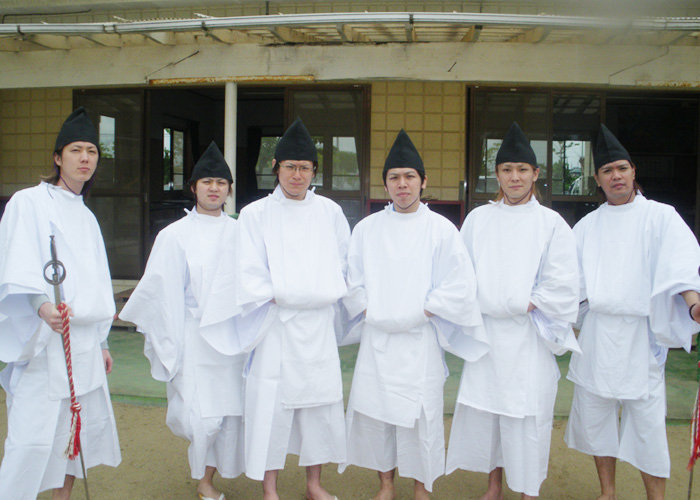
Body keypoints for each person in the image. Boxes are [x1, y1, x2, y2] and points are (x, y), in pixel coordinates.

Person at [338, 129, 488, 500]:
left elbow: (459, 283)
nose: (402, 184)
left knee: (423, 418)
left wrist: (421, 311)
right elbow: (352, 282)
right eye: (394, 177)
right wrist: (375, 313)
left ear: (423, 181)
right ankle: (386, 485)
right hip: (378, 338)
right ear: (385, 184)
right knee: (378, 416)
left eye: (409, 176)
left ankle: (423, 487)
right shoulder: (367, 229)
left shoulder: (441, 229)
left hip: (421, 338)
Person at [564, 124, 700, 500]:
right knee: (596, 419)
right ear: (597, 179)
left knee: (647, 426)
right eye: (607, 171)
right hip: (599, 333)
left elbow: (680, 268)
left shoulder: (661, 217)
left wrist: (693, 304)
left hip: (642, 335)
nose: (616, 176)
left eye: (622, 168)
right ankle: (607, 492)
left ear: (633, 171)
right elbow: (569, 282)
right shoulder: (587, 227)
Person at [446, 122, 580, 499]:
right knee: (490, 414)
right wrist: (487, 303)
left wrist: (518, 301)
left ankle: (527, 491)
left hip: (528, 335)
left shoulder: (551, 224)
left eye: (522, 169)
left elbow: (563, 282)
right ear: (497, 174)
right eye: (507, 169)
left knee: (526, 419)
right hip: (488, 337)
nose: (515, 177)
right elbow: (460, 272)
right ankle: (493, 487)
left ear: (536, 174)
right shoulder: (478, 219)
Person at [0, 107, 121, 499]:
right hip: (45, 338)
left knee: (74, 432)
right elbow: (15, 264)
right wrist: (42, 307)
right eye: (75, 150)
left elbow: (96, 282)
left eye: (92, 151)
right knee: (30, 438)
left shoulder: (86, 216)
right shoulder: (29, 202)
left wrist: (102, 341)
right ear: (57, 157)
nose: (85, 158)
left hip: (83, 343)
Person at [119, 141, 245, 500]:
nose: (214, 188)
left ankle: (208, 479)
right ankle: (202, 477)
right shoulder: (174, 235)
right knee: (200, 416)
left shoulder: (241, 232)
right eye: (206, 182)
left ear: (229, 190)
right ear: (194, 187)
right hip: (193, 336)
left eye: (221, 183)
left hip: (232, 338)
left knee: (228, 413)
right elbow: (160, 289)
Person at [236, 117, 350, 500]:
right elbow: (249, 272)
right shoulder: (255, 214)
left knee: (319, 408)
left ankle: (313, 484)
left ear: (314, 170)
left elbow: (344, 264)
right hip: (276, 326)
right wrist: (292, 292)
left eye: (304, 168)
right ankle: (270, 488)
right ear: (275, 167)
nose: (297, 175)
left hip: (317, 328)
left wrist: (311, 293)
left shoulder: (330, 212)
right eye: (290, 167)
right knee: (271, 409)